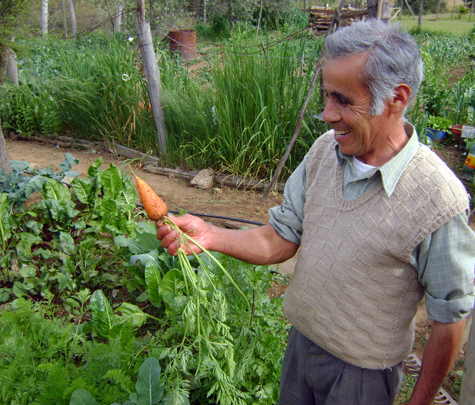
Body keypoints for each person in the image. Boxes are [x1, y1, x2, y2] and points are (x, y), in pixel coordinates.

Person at [157, 20, 475, 405]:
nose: (327, 114)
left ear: (397, 97)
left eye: (343, 100)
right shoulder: (325, 152)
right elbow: (281, 235)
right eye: (326, 96)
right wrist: (211, 235)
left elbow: (449, 320)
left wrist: (419, 402)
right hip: (300, 349)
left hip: (362, 379)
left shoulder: (438, 199)